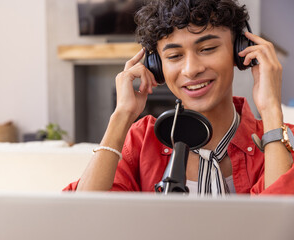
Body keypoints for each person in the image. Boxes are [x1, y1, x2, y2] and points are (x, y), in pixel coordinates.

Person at [64, 0, 294, 195]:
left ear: (238, 51)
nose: (191, 69)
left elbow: (283, 224)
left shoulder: (282, 140)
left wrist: (271, 109)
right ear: (156, 67)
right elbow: (81, 219)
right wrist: (121, 116)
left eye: (207, 49)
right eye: (174, 55)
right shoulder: (142, 141)